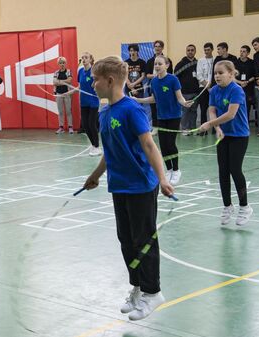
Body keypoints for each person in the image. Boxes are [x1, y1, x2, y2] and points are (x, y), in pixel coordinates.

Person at [83, 55, 173, 321]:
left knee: (144, 240)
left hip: (141, 186)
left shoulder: (131, 109)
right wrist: (96, 175)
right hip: (119, 186)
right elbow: (109, 152)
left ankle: (153, 292)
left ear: (109, 81)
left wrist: (163, 178)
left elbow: (149, 145)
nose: (93, 83)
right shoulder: (105, 111)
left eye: (95, 79)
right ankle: (138, 286)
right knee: (126, 239)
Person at [198, 60, 253, 226]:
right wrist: (217, 127)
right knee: (223, 171)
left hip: (239, 135)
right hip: (224, 135)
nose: (217, 76)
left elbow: (231, 114)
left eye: (220, 73)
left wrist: (210, 124)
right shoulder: (213, 90)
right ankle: (227, 206)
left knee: (235, 169)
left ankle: (245, 207)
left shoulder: (237, 90)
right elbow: (212, 110)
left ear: (231, 73)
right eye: (215, 73)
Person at [135, 55, 193, 185]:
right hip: (161, 117)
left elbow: (179, 97)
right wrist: (138, 100)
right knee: (163, 145)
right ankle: (169, 170)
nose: (157, 66)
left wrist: (184, 103)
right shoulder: (154, 81)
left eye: (160, 64)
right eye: (155, 64)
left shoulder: (173, 79)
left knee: (170, 144)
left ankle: (177, 170)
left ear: (166, 65)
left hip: (174, 116)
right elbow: (154, 98)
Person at [71, 52, 101, 155]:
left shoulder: (94, 71)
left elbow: (98, 83)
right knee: (85, 125)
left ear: (90, 59)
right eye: (82, 58)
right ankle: (93, 145)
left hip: (93, 101)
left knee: (92, 124)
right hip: (83, 102)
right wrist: (69, 92)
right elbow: (80, 86)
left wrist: (94, 83)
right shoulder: (80, 72)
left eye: (86, 58)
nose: (83, 59)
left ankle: (97, 147)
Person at [145, 40, 174, 129]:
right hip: (154, 86)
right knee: (153, 108)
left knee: (164, 106)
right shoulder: (150, 61)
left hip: (165, 87)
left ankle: (166, 126)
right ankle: (155, 127)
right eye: (156, 46)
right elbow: (147, 75)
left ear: (162, 48)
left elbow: (169, 74)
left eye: (159, 46)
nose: (157, 48)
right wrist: (156, 76)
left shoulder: (168, 60)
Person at [175, 44, 199, 132]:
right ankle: (185, 129)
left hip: (195, 92)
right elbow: (176, 76)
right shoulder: (180, 64)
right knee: (185, 112)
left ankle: (193, 128)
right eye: (188, 50)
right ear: (186, 51)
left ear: (195, 51)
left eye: (192, 50)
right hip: (184, 92)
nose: (190, 52)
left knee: (194, 111)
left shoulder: (198, 63)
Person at [195, 42, 215, 136]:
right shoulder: (200, 60)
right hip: (203, 88)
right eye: (205, 50)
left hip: (214, 87)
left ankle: (215, 128)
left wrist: (211, 87)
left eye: (208, 50)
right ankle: (203, 130)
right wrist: (207, 86)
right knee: (203, 109)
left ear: (212, 50)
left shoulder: (215, 60)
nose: (206, 52)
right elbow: (199, 75)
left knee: (215, 108)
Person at [235, 45, 256, 124]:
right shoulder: (236, 63)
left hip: (249, 88)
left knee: (247, 107)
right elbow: (232, 76)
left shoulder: (251, 63)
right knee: (238, 107)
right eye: (241, 51)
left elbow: (254, 76)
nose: (241, 53)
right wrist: (240, 83)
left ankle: (245, 124)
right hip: (238, 88)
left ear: (248, 53)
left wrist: (247, 82)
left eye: (244, 51)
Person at [53, 56, 74, 134]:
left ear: (66, 63)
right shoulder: (56, 73)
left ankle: (70, 127)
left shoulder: (69, 71)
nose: (62, 64)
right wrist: (63, 82)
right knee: (60, 111)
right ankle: (61, 127)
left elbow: (69, 80)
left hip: (67, 94)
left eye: (63, 63)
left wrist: (59, 81)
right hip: (58, 94)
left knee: (68, 111)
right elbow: (54, 82)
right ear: (58, 64)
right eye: (60, 63)